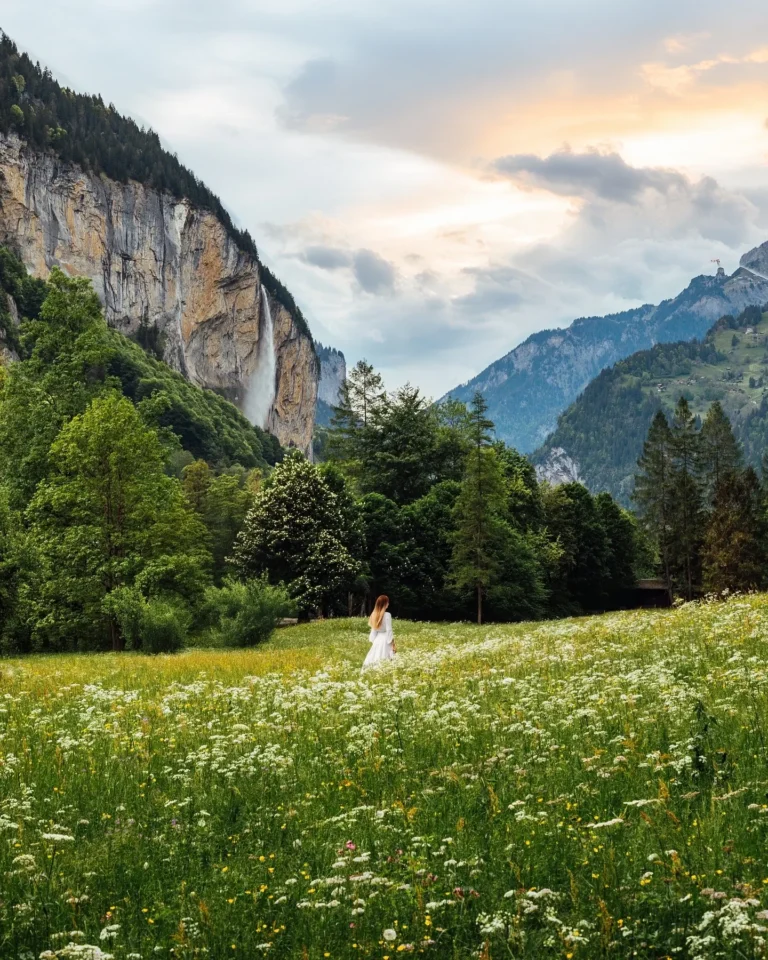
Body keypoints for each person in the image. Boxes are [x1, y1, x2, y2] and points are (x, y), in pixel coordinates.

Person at [362, 595, 396, 669]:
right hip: (385, 640)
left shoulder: (373, 615)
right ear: (385, 603)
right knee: (386, 657)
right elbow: (389, 630)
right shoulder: (387, 615)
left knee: (375, 656)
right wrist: (392, 643)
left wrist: (374, 641)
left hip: (377, 640)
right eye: (387, 602)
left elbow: (373, 631)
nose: (388, 604)